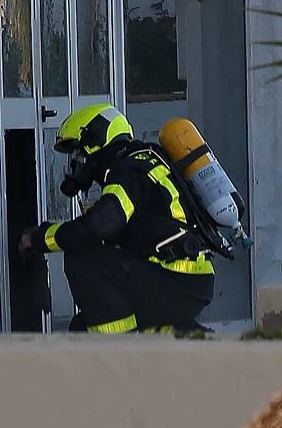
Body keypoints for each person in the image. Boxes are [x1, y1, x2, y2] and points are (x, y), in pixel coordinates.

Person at [19, 102, 213, 335]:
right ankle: (170, 334)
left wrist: (38, 239)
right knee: (81, 328)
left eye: (78, 151)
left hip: (176, 279)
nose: (76, 159)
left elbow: (98, 226)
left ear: (97, 139)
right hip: (183, 280)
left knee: (83, 256)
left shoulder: (130, 170)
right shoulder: (143, 162)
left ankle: (119, 347)